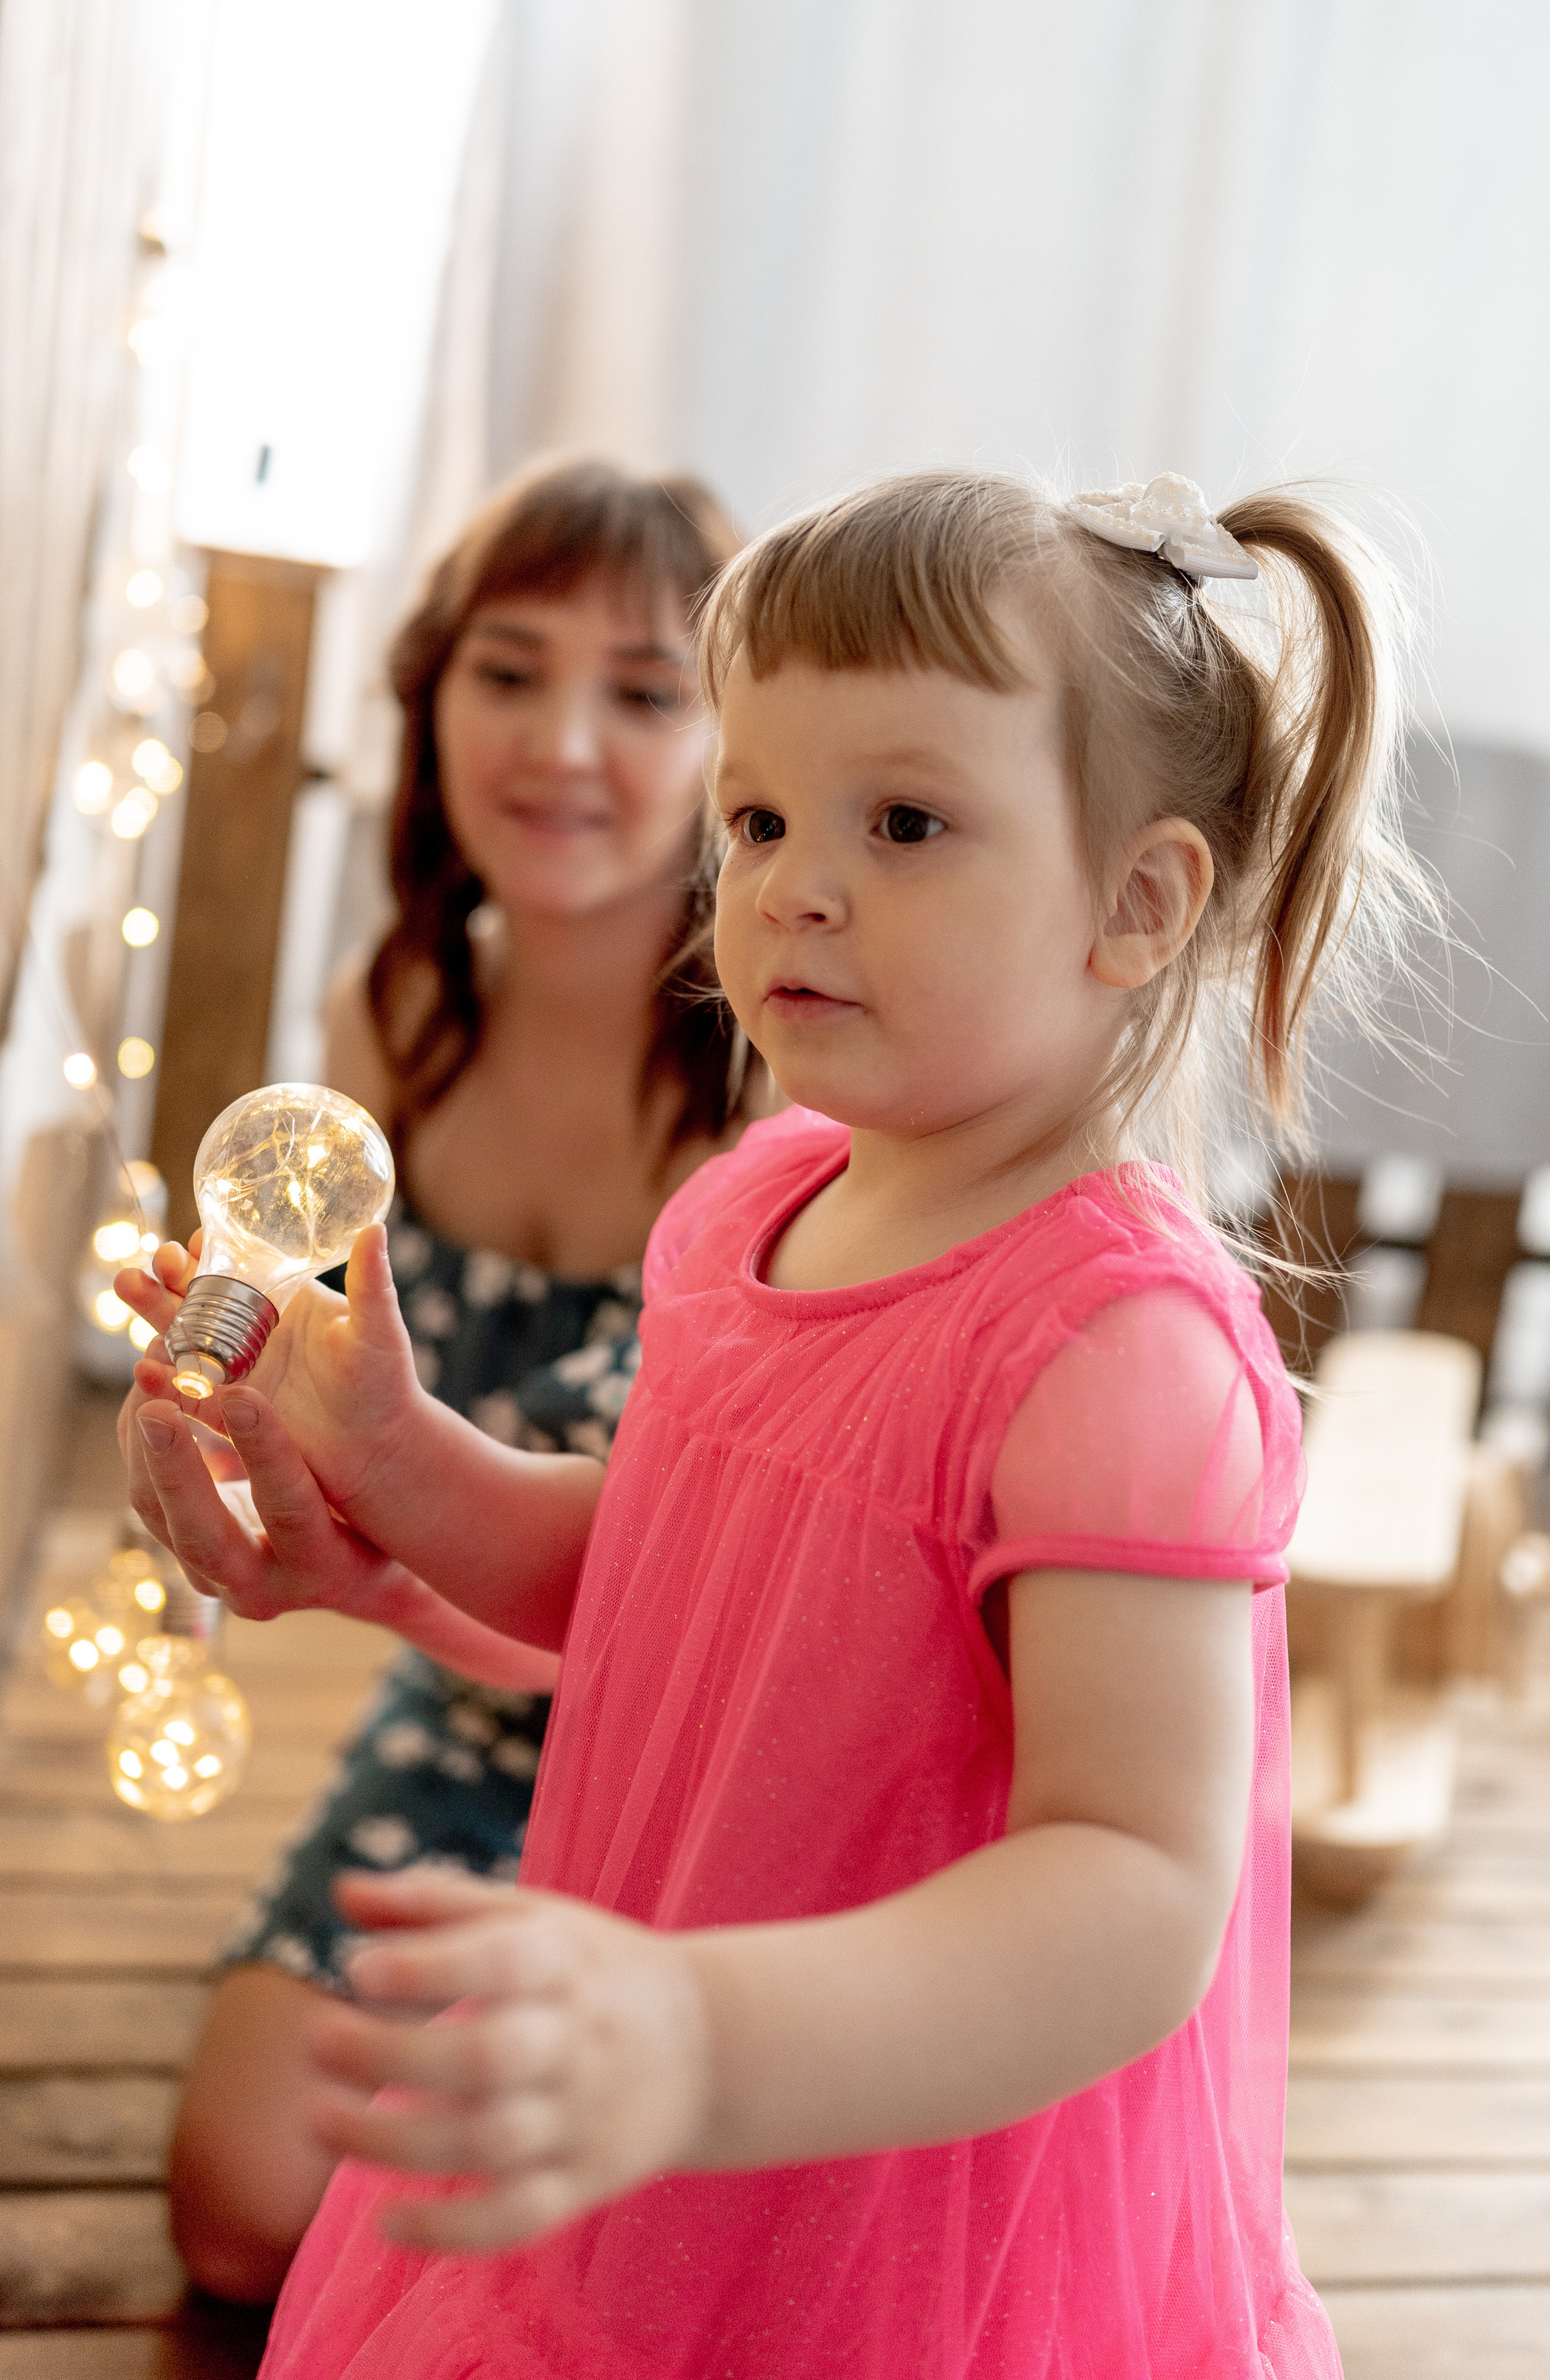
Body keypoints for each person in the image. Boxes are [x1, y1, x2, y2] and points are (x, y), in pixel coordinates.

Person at [124, 466, 1429, 2378]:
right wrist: (407, 1466)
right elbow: (667, 1569)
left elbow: (1134, 1888)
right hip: (667, 2049)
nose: (793, 884)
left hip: (891, 2199)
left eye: (905, 822)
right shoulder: (766, 1202)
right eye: (758, 816)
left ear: (1139, 903)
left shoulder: (1120, 1352)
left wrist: (706, 2036)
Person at [118, 456, 752, 2305]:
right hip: (475, 1731)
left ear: (739, 739)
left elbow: (677, 1619)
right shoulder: (384, 1023)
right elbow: (277, 1390)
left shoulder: (781, 1090)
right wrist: (223, 1447)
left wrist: (382, 1568)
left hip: (727, 1756)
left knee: (614, 2274)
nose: (561, 743)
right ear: (431, 694)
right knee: (244, 2211)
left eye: (644, 691)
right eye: (507, 668)